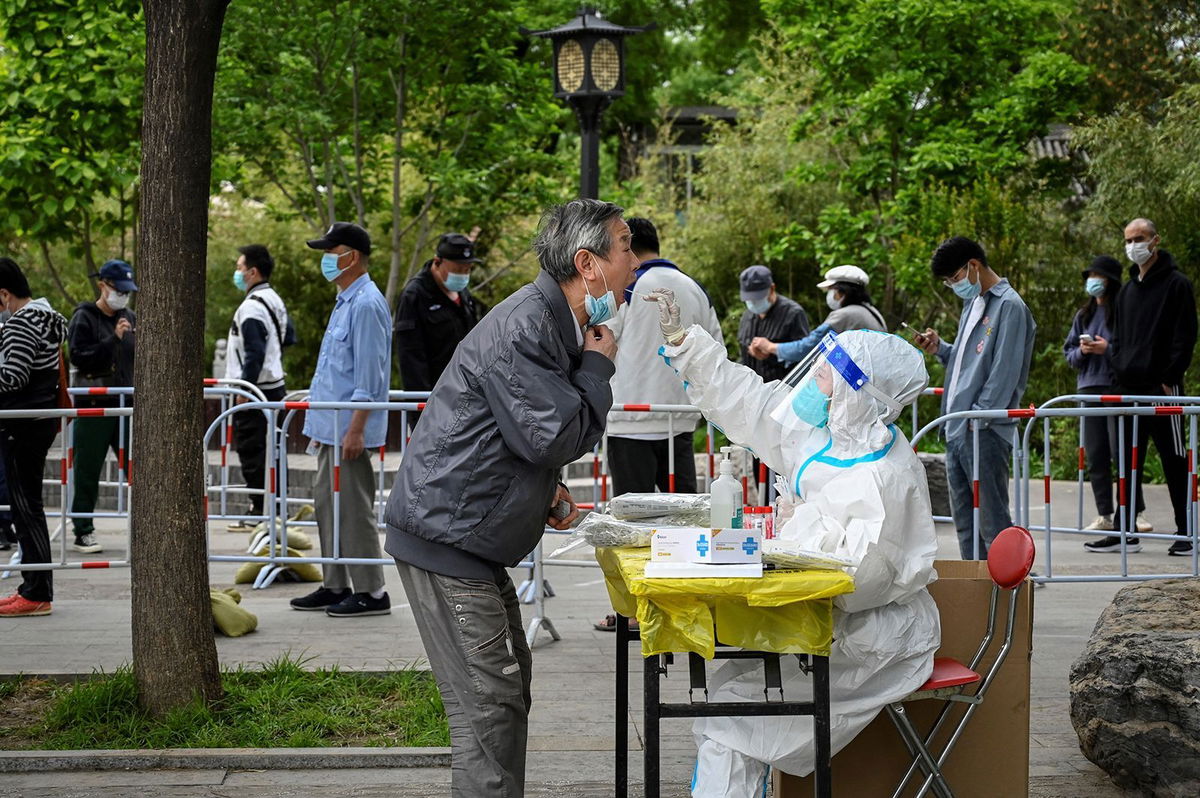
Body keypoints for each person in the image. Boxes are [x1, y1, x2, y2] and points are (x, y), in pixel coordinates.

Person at [644, 288, 939, 796]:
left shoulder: (884, 476)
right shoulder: (827, 433)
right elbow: (752, 403)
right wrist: (685, 342)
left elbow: (859, 580)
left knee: (732, 720)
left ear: (855, 392)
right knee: (729, 681)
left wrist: (799, 522)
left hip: (872, 642)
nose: (812, 381)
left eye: (824, 374)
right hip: (822, 627)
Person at [384, 198, 632, 797]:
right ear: (588, 263)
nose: (634, 261)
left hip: (469, 535)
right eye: (625, 247)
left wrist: (545, 490)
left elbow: (520, 435)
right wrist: (598, 368)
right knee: (488, 706)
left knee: (506, 691)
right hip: (447, 537)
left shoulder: (554, 323)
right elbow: (550, 434)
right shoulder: (529, 325)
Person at [289, 222, 392, 617]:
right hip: (331, 428)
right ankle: (336, 584)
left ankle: (371, 590)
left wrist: (356, 428)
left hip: (348, 430)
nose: (326, 259)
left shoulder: (366, 304)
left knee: (352, 510)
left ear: (352, 256)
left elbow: (369, 376)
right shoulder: (346, 300)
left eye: (332, 252)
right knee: (327, 507)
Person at [914, 237, 1035, 560]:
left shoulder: (1009, 306)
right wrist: (941, 348)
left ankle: (1007, 587)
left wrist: (978, 418)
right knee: (966, 521)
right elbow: (967, 364)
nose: (954, 286)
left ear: (974, 266)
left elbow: (1003, 374)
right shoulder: (974, 302)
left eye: (954, 278)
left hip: (984, 430)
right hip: (958, 428)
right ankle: (977, 585)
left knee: (993, 520)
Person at [1092, 218, 1197, 555]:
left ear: (1155, 240)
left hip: (1164, 389)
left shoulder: (1177, 284)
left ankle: (1187, 530)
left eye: (1139, 238)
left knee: (1174, 459)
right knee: (1127, 461)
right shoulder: (1126, 292)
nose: (1133, 245)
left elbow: (1185, 336)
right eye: (1128, 239)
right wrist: (1120, 368)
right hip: (1129, 389)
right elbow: (1118, 338)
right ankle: (1125, 529)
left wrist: (1168, 377)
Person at [603, 217, 721, 496]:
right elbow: (715, 352)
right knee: (685, 523)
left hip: (628, 422)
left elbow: (602, 343)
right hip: (680, 420)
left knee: (632, 524)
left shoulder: (626, 289)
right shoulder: (695, 289)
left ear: (627, 246)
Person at [0, 257, 68, 617]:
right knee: (26, 506)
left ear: (4, 294)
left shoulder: (21, 325)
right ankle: (32, 586)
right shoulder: (43, 318)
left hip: (22, 424)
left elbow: (12, 378)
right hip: (36, 421)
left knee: (26, 507)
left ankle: (37, 592)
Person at [1064, 256, 1149, 538]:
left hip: (1117, 389)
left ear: (1110, 280)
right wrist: (1083, 351)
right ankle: (1105, 515)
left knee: (1122, 454)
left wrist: (1107, 349)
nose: (1093, 281)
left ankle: (1133, 513)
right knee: (1096, 455)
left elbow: (1131, 352)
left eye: (1098, 276)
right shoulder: (1083, 315)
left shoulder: (1123, 312)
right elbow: (1069, 355)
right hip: (1088, 389)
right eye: (1090, 275)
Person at [66, 259, 139, 554]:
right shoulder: (84, 316)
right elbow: (79, 357)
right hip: (94, 404)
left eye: (126, 291)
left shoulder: (130, 316)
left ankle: (145, 528)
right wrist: (113, 339)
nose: (122, 296)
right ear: (103, 286)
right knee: (87, 470)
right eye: (118, 289)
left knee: (137, 469)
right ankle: (83, 529)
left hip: (126, 404)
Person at [225, 244, 296, 531]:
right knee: (274, 448)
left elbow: (254, 352)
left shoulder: (252, 306)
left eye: (240, 268)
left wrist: (245, 389)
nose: (238, 273)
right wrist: (273, 360)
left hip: (256, 391)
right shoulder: (274, 299)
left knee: (253, 450)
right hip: (275, 386)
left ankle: (259, 510)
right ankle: (277, 507)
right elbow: (288, 336)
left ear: (253, 272)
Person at [394, 232, 487, 393]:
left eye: (467, 270)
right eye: (458, 269)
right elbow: (410, 357)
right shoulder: (415, 295)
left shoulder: (463, 293)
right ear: (437, 262)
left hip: (466, 394)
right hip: (432, 396)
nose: (463, 275)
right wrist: (422, 406)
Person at [751, 264, 887, 363]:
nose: (829, 295)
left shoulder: (844, 315)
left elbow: (809, 347)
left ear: (842, 292)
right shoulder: (872, 312)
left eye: (831, 290)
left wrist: (770, 346)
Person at [737, 265, 809, 382]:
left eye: (757, 298)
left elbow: (804, 357)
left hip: (783, 388)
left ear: (771, 289)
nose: (753, 303)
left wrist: (771, 353)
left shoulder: (793, 314)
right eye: (749, 299)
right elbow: (743, 354)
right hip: (752, 389)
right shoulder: (747, 316)